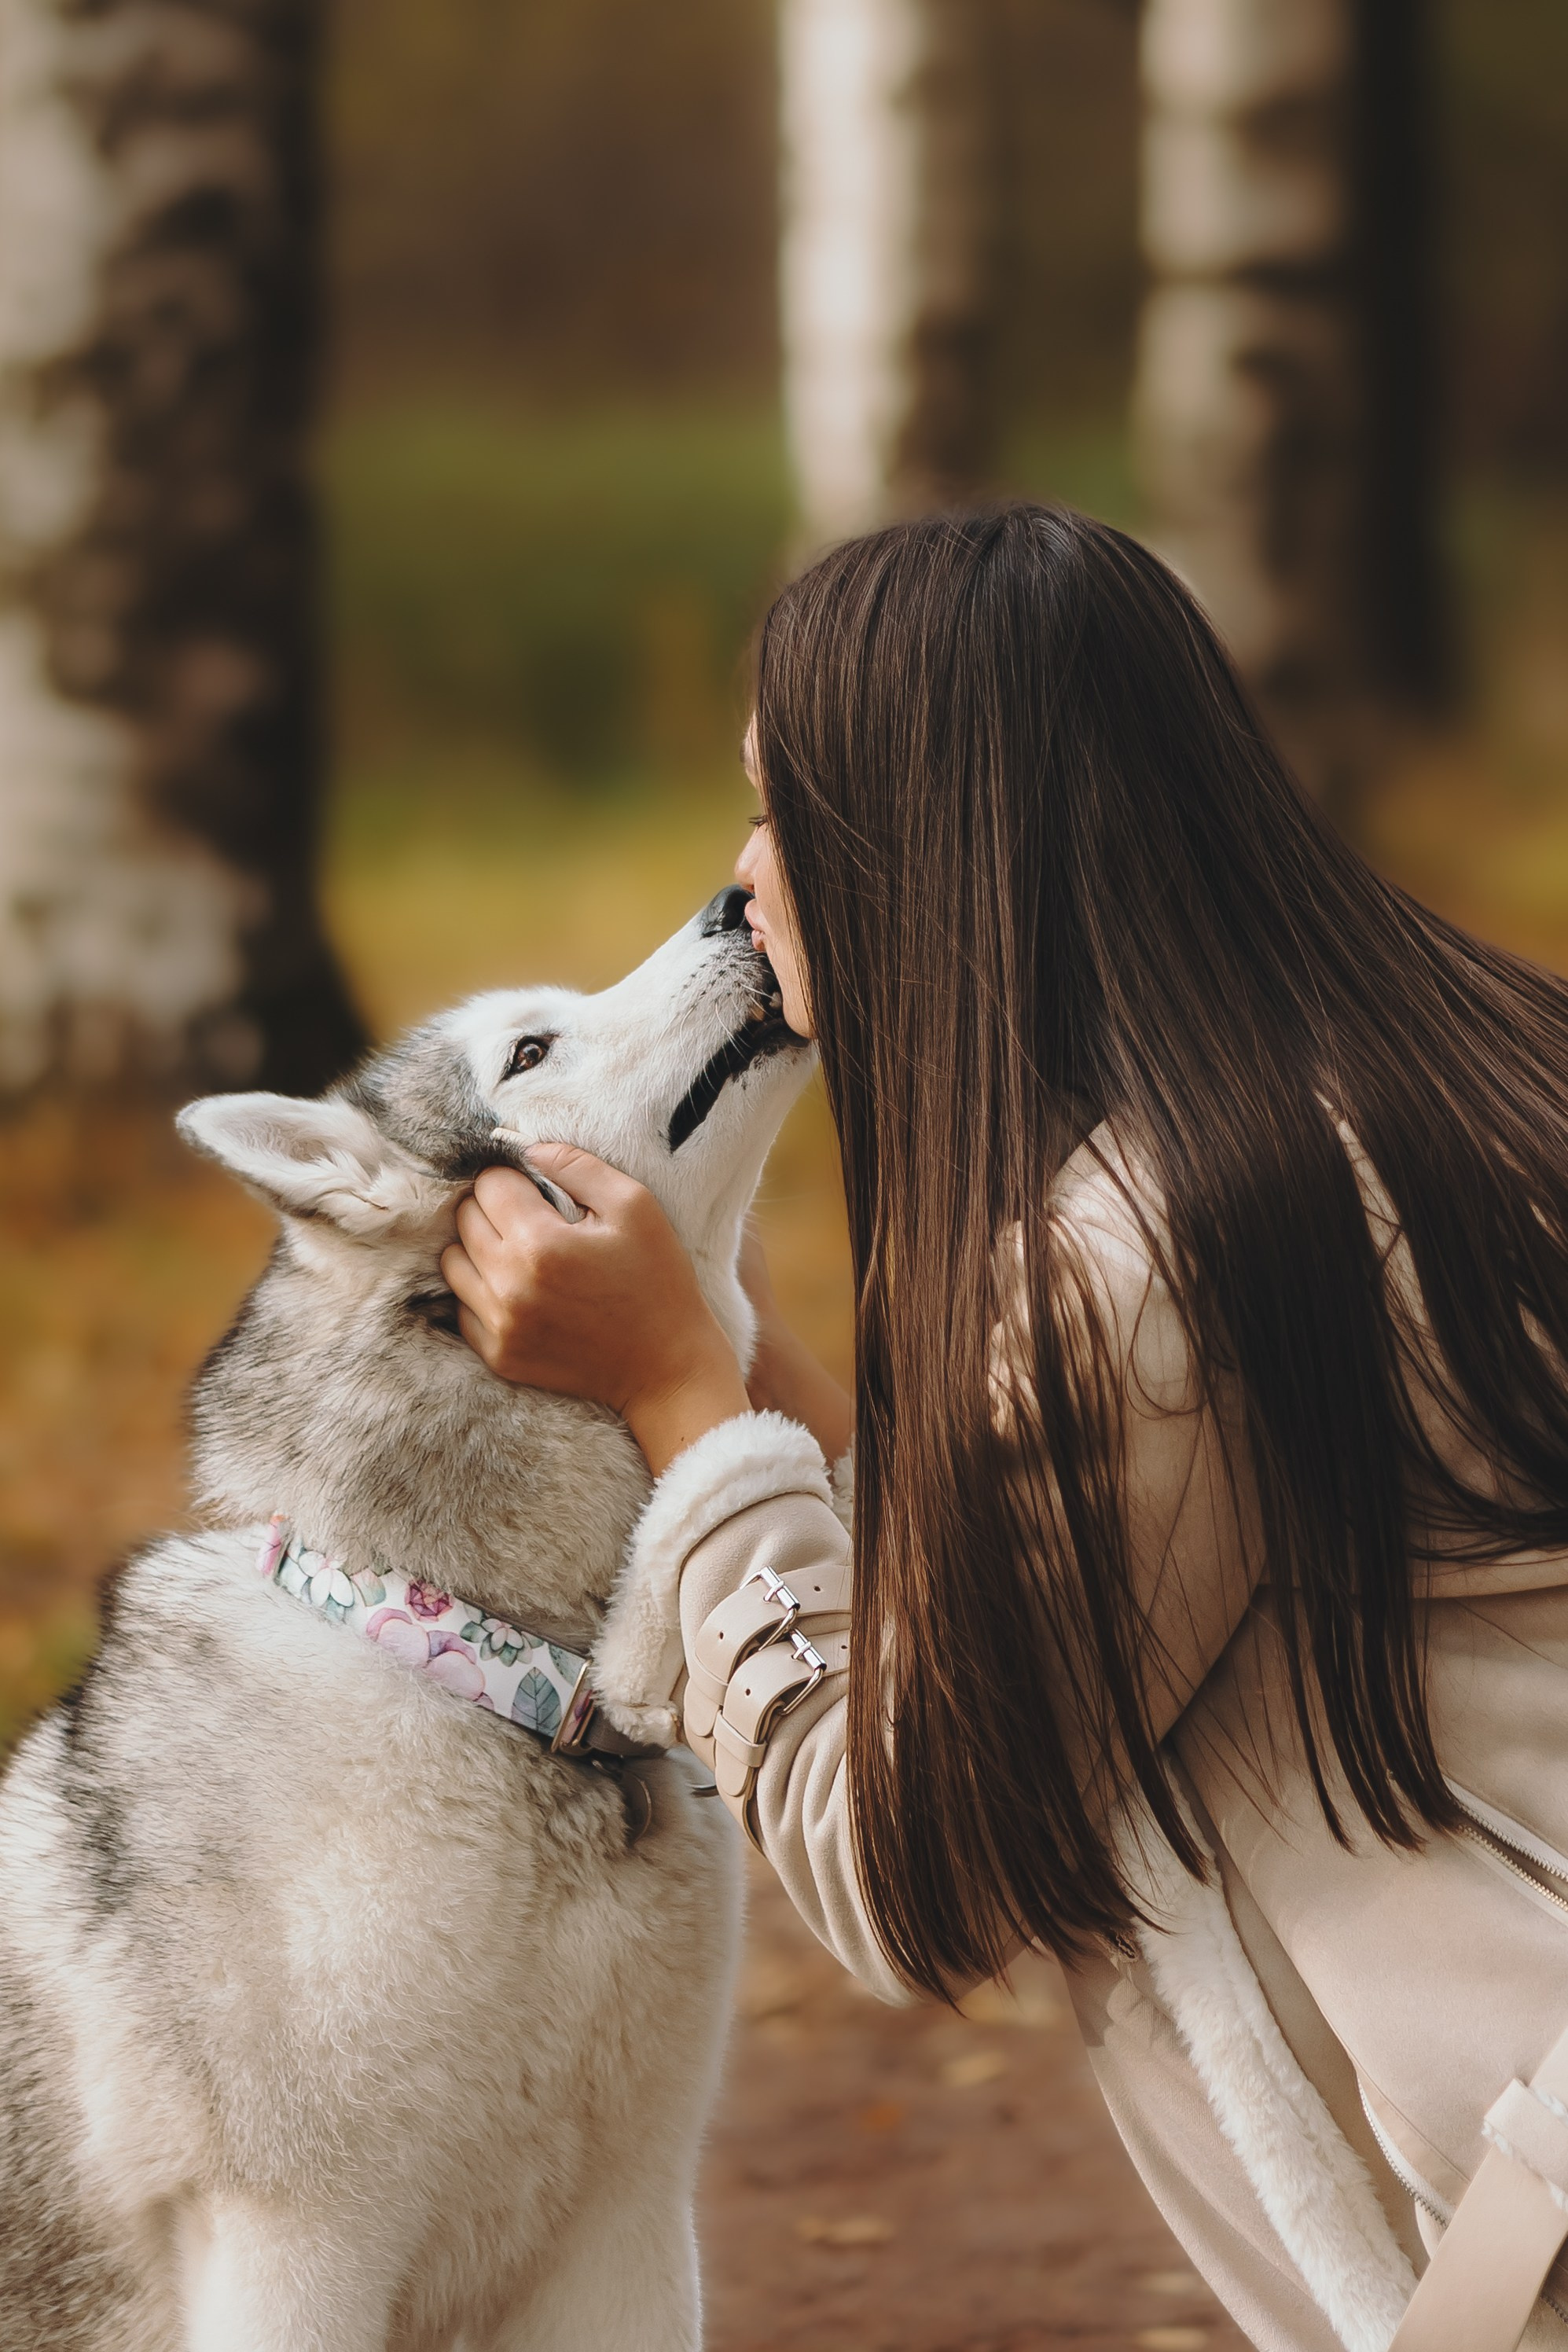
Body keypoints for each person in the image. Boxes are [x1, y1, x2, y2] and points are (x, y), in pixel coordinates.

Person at [441, 505, 1568, 2352]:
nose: (744, 880)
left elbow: (911, 1861)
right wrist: (730, 1355)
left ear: (928, 851)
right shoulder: (1424, 1075)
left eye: (779, 809)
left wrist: (682, 1413)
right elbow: (1114, 1576)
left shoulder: (1144, 1280)